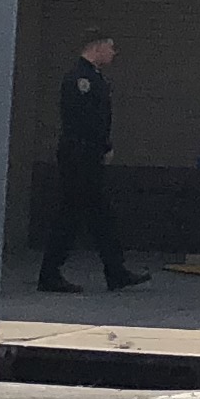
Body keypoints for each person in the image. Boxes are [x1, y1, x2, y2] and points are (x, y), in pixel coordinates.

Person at [38, 31, 150, 294]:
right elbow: (84, 121)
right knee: (71, 215)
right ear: (97, 47)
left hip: (88, 155)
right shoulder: (81, 79)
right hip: (80, 156)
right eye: (110, 47)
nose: (114, 53)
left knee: (101, 215)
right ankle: (50, 273)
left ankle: (116, 271)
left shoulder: (93, 77)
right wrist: (102, 147)